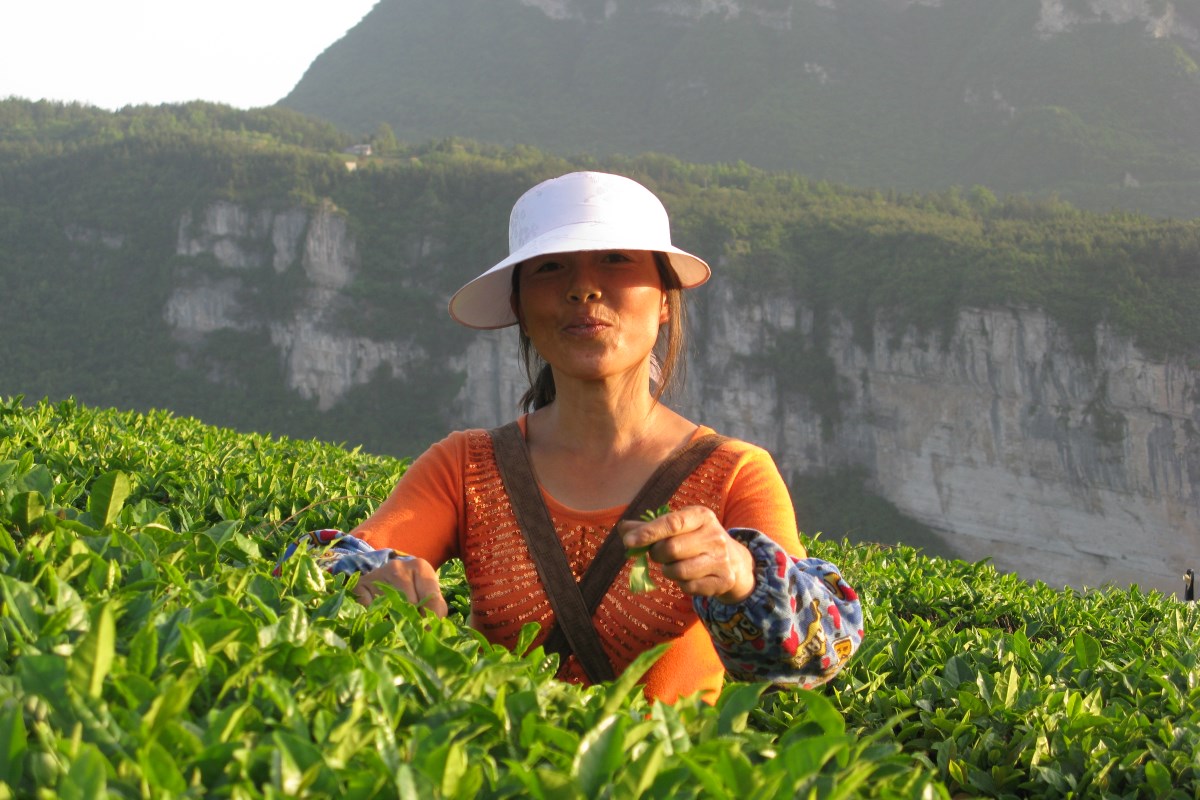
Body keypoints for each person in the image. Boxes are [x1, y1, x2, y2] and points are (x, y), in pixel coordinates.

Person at [295, 171, 863, 703]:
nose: (583, 288)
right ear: (519, 305)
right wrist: (365, 581)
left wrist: (743, 574)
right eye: (550, 268)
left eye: (615, 260)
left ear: (664, 299)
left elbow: (821, 650)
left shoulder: (733, 473)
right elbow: (315, 570)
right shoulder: (466, 467)